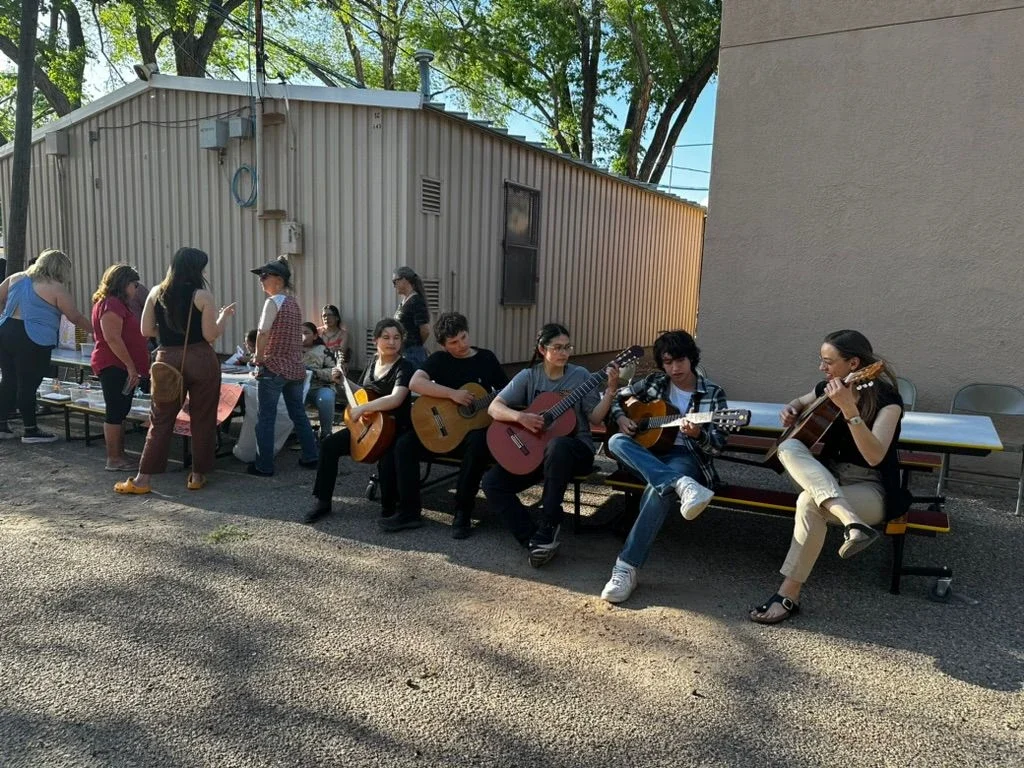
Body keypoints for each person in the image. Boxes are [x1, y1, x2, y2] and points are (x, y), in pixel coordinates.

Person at [749, 330, 908, 625]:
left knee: (810, 502)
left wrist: (849, 409)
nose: (822, 368)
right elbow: (799, 400)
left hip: (870, 487)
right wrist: (792, 408)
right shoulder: (827, 386)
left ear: (853, 363)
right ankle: (850, 521)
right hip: (828, 476)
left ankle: (788, 595)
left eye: (828, 361)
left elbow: (875, 456)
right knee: (788, 446)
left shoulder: (889, 401)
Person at [599, 330, 727, 603]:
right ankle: (680, 484)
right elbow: (618, 395)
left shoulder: (713, 393)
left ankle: (626, 568)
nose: (674, 368)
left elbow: (716, 446)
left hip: (684, 455)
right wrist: (622, 418)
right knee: (617, 441)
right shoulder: (656, 382)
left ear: (691, 358)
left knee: (659, 490)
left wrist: (698, 434)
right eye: (667, 362)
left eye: (679, 361)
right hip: (647, 454)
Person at [482, 323, 618, 567]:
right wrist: (520, 417)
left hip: (576, 450)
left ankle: (549, 522)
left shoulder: (581, 377)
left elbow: (596, 418)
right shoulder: (529, 376)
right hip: (537, 453)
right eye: (557, 347)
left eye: (567, 347)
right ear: (542, 349)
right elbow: (494, 407)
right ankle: (535, 540)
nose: (564, 353)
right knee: (492, 482)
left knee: (558, 446)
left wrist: (610, 391)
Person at [114, 247, 235, 493]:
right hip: (201, 357)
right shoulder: (202, 295)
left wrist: (170, 332)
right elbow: (210, 334)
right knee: (203, 417)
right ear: (196, 268)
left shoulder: (156, 292)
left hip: (167, 357)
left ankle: (142, 479)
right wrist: (223, 318)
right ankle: (197, 475)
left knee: (160, 419)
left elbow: (146, 330)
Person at [395, 312, 509, 538]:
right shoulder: (439, 360)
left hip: (472, 433)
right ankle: (409, 511)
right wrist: (452, 395)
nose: (462, 345)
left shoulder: (486, 358)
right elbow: (415, 382)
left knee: (478, 443)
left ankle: (463, 512)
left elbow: (508, 389)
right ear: (443, 345)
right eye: (453, 343)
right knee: (404, 444)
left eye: (464, 337)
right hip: (443, 431)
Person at [306, 318, 416, 525]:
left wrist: (364, 408)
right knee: (329, 445)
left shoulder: (405, 366)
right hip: (369, 426)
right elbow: (364, 394)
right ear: (376, 340)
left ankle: (391, 508)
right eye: (386, 337)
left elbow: (396, 398)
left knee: (387, 458)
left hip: (394, 428)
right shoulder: (372, 363)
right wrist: (343, 382)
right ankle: (322, 501)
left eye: (396, 338)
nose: (391, 342)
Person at [0, 249, 91, 443]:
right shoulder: (56, 288)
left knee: (8, 380)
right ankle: (30, 430)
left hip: (5, 331)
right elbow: (74, 316)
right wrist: (97, 331)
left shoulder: (16, 278)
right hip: (33, 337)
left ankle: (2, 425)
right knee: (28, 383)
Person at [247, 256, 320, 476]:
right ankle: (311, 456)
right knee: (298, 413)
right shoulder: (293, 303)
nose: (261, 280)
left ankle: (264, 465)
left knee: (266, 418)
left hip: (274, 367)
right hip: (295, 369)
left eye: (264, 276)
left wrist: (258, 358)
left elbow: (262, 332)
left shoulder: (272, 302)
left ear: (278, 279)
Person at [90, 264, 150, 471]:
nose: (136, 289)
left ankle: (120, 455)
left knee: (121, 409)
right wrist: (131, 367)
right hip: (114, 366)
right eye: (134, 284)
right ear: (123, 284)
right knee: (115, 411)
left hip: (122, 366)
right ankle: (113, 458)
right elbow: (113, 338)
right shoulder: (111, 304)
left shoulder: (117, 304)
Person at [301, 321, 338, 435]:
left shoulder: (323, 350)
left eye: (306, 332)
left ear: (315, 336)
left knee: (326, 399)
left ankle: (326, 434)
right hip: (296, 388)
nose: (301, 335)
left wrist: (313, 372)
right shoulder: (289, 351)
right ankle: (301, 433)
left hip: (319, 387)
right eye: (298, 332)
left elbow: (335, 373)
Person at [392, 266, 430, 367]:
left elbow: (425, 330)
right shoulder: (405, 301)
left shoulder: (416, 301)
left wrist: (415, 345)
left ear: (404, 279)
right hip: (403, 351)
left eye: (395, 281)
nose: (394, 285)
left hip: (412, 354)